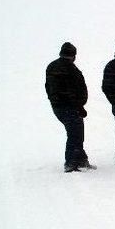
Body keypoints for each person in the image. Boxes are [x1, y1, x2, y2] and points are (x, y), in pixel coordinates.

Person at [45, 42, 96, 172]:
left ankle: (81, 160)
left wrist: (54, 101)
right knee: (75, 134)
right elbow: (74, 91)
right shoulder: (71, 69)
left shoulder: (52, 67)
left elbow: (48, 88)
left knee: (76, 133)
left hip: (58, 107)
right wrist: (79, 106)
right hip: (70, 107)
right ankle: (70, 163)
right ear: (73, 55)